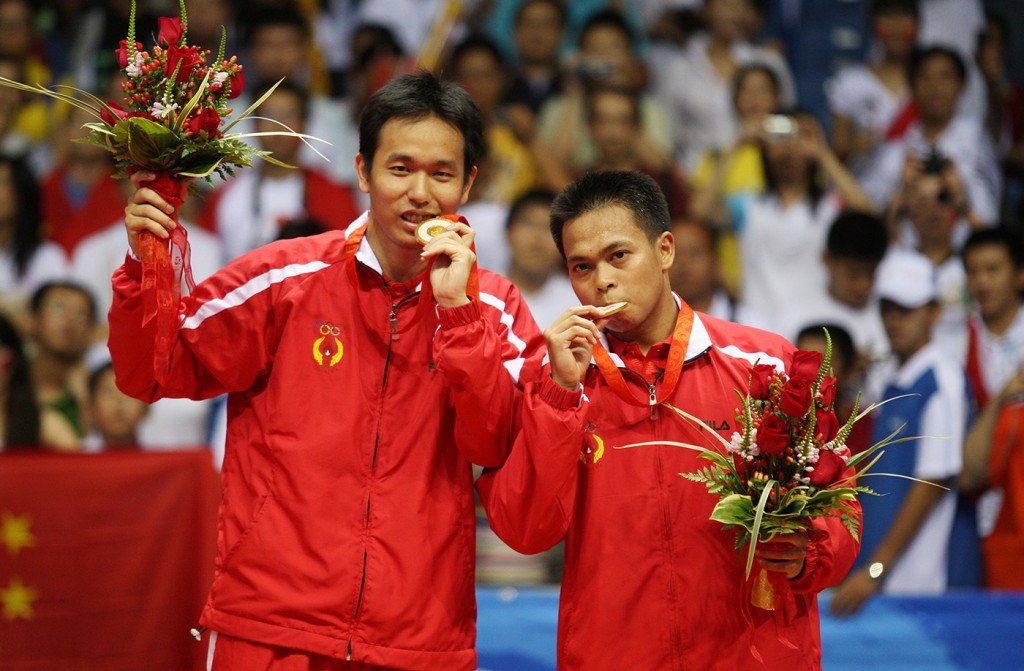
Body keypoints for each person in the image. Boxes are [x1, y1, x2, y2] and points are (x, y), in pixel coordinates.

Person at [109, 71, 542, 671]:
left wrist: (459, 316)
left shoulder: (495, 309)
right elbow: (153, 373)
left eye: (441, 174)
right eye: (400, 169)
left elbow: (499, 446)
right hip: (269, 625)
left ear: (467, 182)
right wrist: (147, 259)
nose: (420, 192)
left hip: (415, 636)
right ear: (363, 172)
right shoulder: (283, 280)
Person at [478, 171, 860, 669]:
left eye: (619, 255)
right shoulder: (557, 382)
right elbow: (525, 530)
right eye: (581, 266)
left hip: (753, 655)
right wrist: (560, 395)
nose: (602, 281)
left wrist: (808, 554)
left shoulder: (765, 365)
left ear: (664, 250)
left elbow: (841, 501)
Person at [832, 250, 977, 616]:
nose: (894, 320)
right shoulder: (896, 380)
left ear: (934, 312)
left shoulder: (941, 379)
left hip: (924, 584)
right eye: (888, 309)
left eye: (907, 309)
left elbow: (930, 485)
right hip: (886, 581)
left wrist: (875, 570)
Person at [197, 81, 359, 263]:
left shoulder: (334, 195)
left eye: (289, 116)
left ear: (305, 124)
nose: (279, 126)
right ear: (254, 125)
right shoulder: (225, 195)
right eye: (269, 116)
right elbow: (202, 259)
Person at [859, 46, 1001, 227]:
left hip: (968, 248)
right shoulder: (897, 145)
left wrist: (959, 197)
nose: (935, 87)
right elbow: (867, 212)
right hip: (906, 251)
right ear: (911, 86)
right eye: (925, 78)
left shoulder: (977, 136)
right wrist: (902, 192)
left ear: (962, 85)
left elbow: (991, 214)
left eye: (945, 77)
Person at [958, 228, 1024, 589]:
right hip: (983, 509)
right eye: (973, 271)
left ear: (1020, 274)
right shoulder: (956, 341)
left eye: (993, 269)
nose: (981, 282)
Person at [776, 211, 890, 363]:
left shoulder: (892, 317)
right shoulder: (793, 319)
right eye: (853, 273)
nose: (864, 284)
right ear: (827, 259)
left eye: (872, 273)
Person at [826, 0, 918, 174]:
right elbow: (838, 152)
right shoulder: (851, 81)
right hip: (865, 191)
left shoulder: (929, 81)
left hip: (918, 192)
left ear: (917, 25)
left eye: (903, 19)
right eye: (888, 20)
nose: (897, 29)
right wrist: (857, 147)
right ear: (873, 27)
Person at [28, 280, 96, 450]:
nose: (69, 319)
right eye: (59, 308)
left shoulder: (98, 387)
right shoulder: (9, 375)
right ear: (34, 319)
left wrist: (85, 401)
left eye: (81, 313)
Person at [503, 188, 576, 329]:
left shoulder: (577, 303)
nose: (537, 239)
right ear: (508, 231)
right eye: (528, 223)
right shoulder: (481, 293)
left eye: (548, 228)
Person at [82, 362, 148, 452]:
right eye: (109, 393)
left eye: (129, 393)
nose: (119, 403)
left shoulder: (162, 456)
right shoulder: (77, 455)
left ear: (146, 407)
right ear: (91, 406)